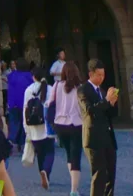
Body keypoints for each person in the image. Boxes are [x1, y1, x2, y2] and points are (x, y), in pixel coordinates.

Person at [79, 59, 119, 196]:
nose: (101, 78)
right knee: (99, 175)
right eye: (98, 75)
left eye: (103, 75)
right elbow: (89, 111)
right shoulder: (83, 89)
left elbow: (109, 114)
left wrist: (112, 103)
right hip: (94, 139)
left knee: (110, 176)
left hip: (108, 137)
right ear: (91, 74)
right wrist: (106, 101)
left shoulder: (102, 90)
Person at [46, 61, 86, 196]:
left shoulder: (56, 86)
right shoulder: (80, 87)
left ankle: (73, 184)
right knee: (76, 156)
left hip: (60, 124)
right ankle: (74, 190)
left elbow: (49, 104)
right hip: (76, 124)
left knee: (69, 154)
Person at [23, 68, 55, 190]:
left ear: (33, 77)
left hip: (33, 127)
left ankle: (42, 171)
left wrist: (26, 129)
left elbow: (25, 110)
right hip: (47, 126)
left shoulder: (29, 90)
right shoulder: (50, 89)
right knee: (50, 152)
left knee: (40, 153)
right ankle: (46, 172)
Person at [5, 59, 33, 153]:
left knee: (14, 123)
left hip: (13, 103)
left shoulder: (12, 75)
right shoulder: (29, 76)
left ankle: (12, 142)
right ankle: (23, 143)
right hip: (25, 103)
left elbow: (7, 78)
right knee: (24, 124)